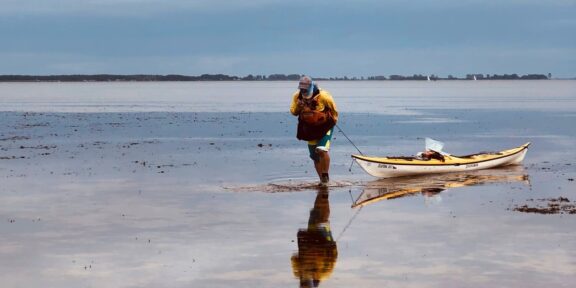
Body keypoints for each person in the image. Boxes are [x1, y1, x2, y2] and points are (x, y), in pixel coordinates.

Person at [290, 76, 339, 186]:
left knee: (321, 150)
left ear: (311, 86)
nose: (303, 91)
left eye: (305, 89)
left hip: (325, 127)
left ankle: (325, 174)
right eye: (301, 89)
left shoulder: (324, 96)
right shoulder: (297, 96)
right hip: (309, 129)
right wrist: (298, 106)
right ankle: (322, 180)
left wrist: (334, 121)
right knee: (314, 156)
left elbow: (334, 111)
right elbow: (293, 112)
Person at [291, 188, 338, 287]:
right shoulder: (302, 271)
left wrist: (333, 245)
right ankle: (323, 191)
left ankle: (323, 191)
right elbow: (295, 257)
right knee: (320, 215)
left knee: (321, 216)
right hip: (315, 236)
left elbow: (334, 255)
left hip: (321, 238)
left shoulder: (325, 273)